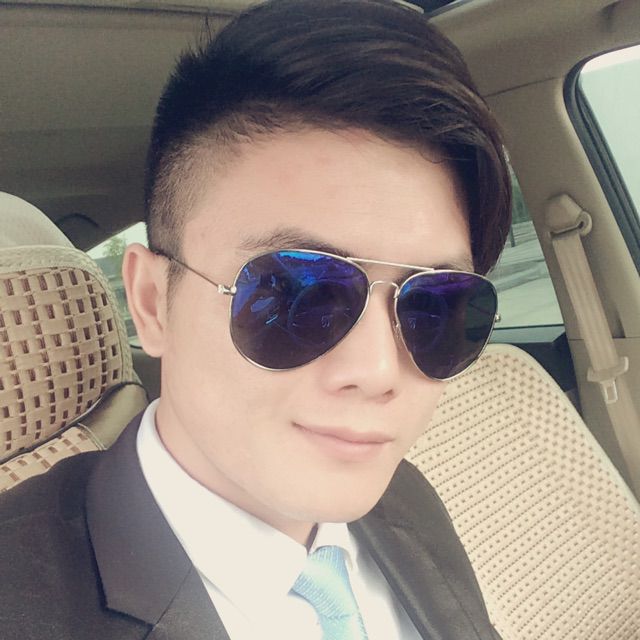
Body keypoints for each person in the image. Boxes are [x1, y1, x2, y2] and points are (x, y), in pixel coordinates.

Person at [0, 0, 511, 638]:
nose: (379, 371)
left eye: (435, 305)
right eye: (298, 294)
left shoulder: (408, 501)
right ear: (153, 302)